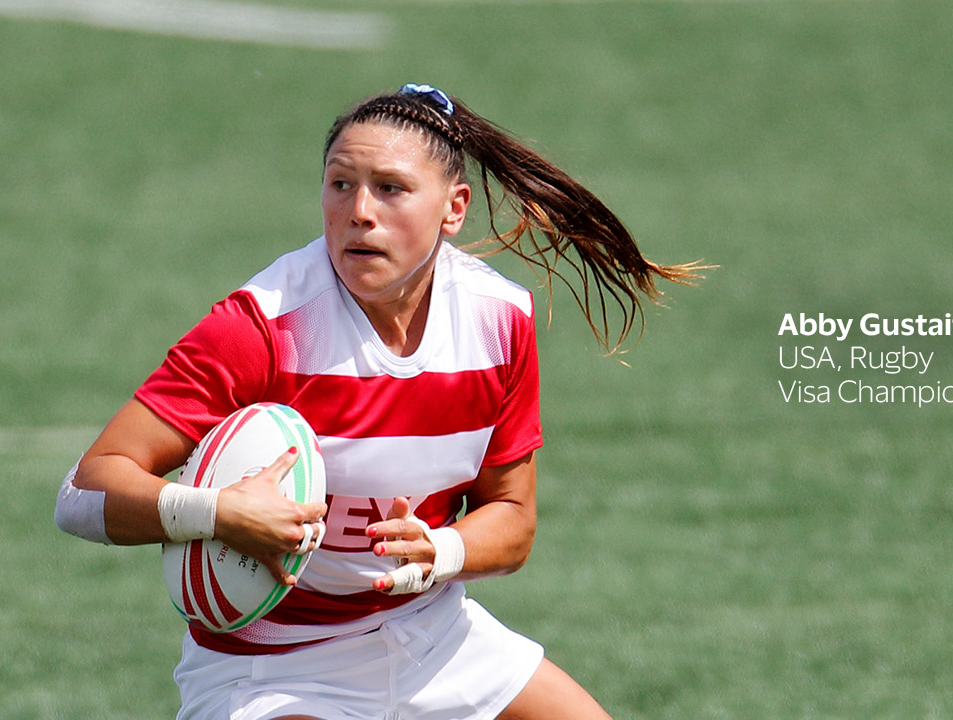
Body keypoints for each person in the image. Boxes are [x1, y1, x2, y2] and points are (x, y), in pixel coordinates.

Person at [54, 83, 704, 720]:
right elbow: (81, 495)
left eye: (390, 188)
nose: (360, 210)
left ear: (453, 209)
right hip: (275, 665)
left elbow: (511, 518)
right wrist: (218, 512)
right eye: (341, 184)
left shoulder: (498, 320)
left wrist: (440, 552)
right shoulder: (264, 326)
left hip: (435, 640)